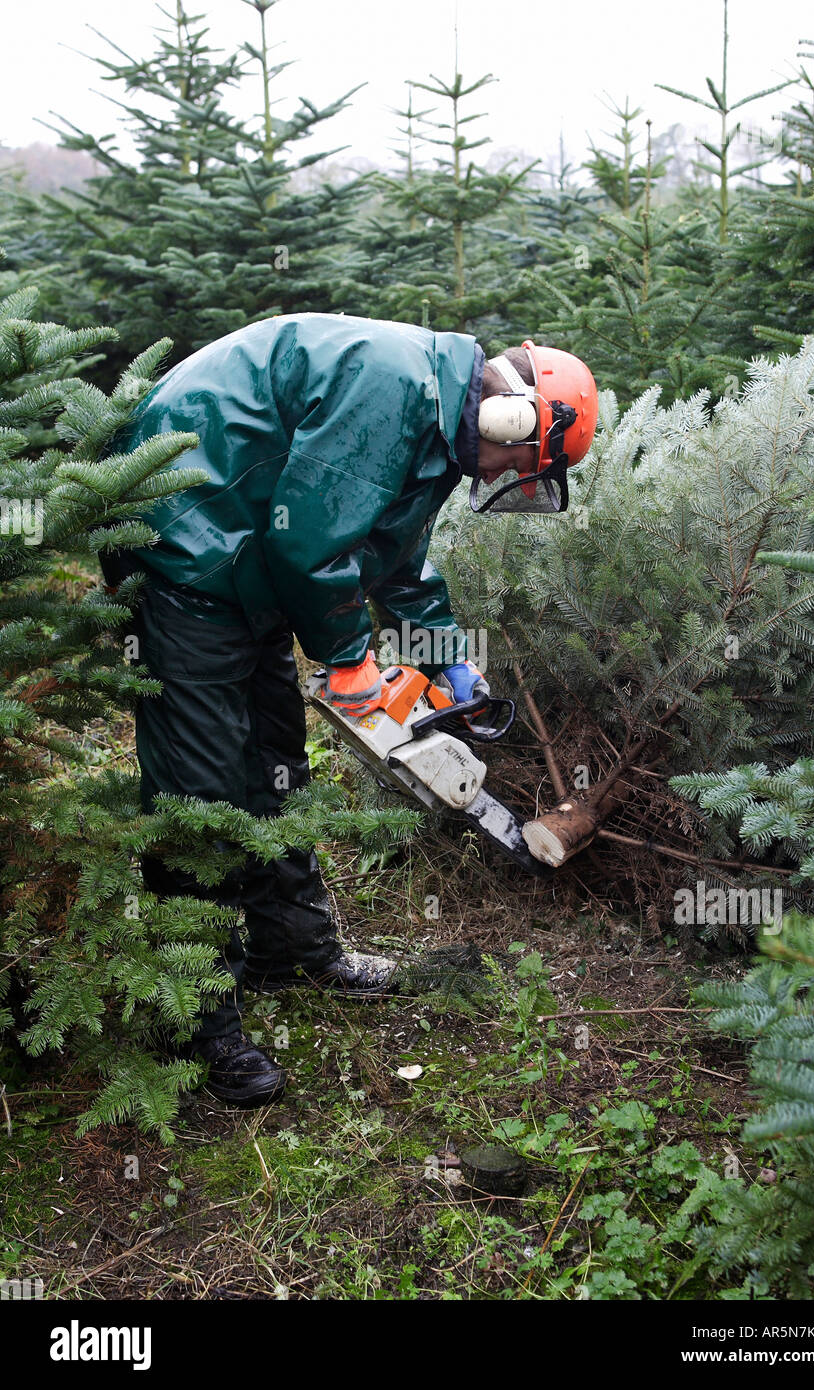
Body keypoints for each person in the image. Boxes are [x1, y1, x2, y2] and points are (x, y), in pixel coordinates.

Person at [107, 313, 598, 1107]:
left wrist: (448, 664)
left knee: (272, 758)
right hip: (185, 547)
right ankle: (193, 1025)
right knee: (201, 788)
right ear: (509, 416)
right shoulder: (389, 385)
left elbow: (395, 556)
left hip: (245, 561)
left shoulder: (439, 420)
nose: (504, 475)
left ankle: (292, 948)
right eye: (518, 459)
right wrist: (347, 661)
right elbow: (309, 543)